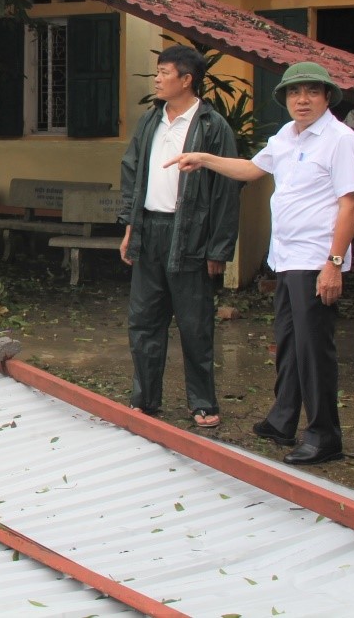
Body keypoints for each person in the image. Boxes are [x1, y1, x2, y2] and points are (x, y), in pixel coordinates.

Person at [169, 63, 354, 465]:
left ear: (327, 97)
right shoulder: (286, 137)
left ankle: (325, 435)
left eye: (311, 92)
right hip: (287, 257)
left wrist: (334, 263)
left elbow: (350, 203)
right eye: (295, 93)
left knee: (314, 351)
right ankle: (283, 420)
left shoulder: (340, 140)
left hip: (315, 259)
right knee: (290, 344)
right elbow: (252, 169)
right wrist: (204, 158)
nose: (302, 100)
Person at [118, 45, 240, 428]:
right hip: (149, 229)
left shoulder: (211, 126)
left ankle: (202, 402)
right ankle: (145, 400)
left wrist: (218, 248)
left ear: (186, 79)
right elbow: (131, 172)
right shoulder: (150, 121)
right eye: (157, 71)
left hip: (189, 234)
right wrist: (129, 229)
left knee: (195, 323)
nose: (156, 78)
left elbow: (226, 191)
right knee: (144, 320)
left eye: (164, 72)